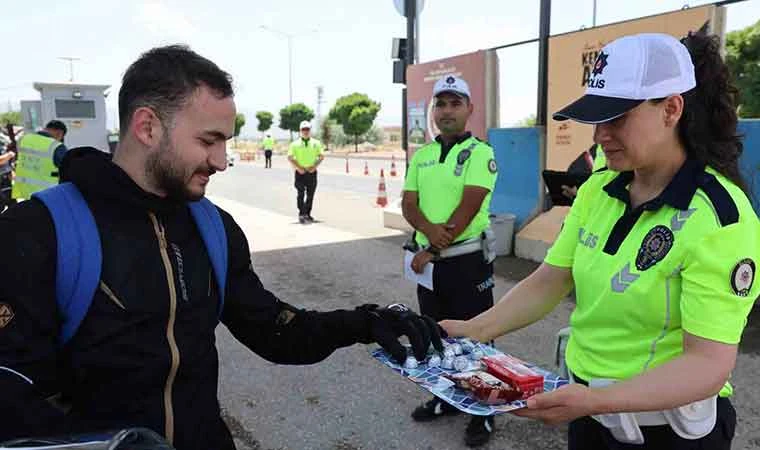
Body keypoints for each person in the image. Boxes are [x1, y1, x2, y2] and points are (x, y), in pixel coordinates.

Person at [0, 45, 444, 450]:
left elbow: (275, 330)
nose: (221, 161)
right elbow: (12, 395)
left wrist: (365, 322)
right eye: (208, 141)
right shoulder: (38, 231)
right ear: (147, 127)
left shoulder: (212, 227)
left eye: (226, 143)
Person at [441, 32, 760, 450]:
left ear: (671, 108)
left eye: (617, 118)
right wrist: (474, 329)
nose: (599, 135)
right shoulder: (599, 188)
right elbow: (551, 279)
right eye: (596, 118)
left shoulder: (720, 217)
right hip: (592, 416)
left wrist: (596, 400)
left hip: (668, 433)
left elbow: (707, 364)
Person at [401, 75, 499, 447]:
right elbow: (409, 203)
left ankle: (485, 410)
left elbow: (469, 205)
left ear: (469, 109)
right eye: (440, 104)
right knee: (436, 332)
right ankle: (447, 398)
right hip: (430, 263)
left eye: (455, 103)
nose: (446, 111)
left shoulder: (480, 153)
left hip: (467, 261)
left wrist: (432, 248)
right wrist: (426, 234)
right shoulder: (423, 156)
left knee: (477, 335)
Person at [11, 120, 68, 200]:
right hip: (46, 195)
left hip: (24, 192)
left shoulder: (23, 139)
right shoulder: (56, 146)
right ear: (59, 133)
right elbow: (67, 169)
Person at [288, 121, 324, 224]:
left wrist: (314, 166)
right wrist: (299, 168)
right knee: (300, 193)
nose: (305, 131)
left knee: (310, 194)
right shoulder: (294, 144)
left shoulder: (316, 143)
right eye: (303, 129)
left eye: (307, 129)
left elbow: (321, 156)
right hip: (300, 173)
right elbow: (290, 157)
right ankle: (301, 214)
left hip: (312, 172)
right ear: (300, 131)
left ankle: (307, 214)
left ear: (310, 130)